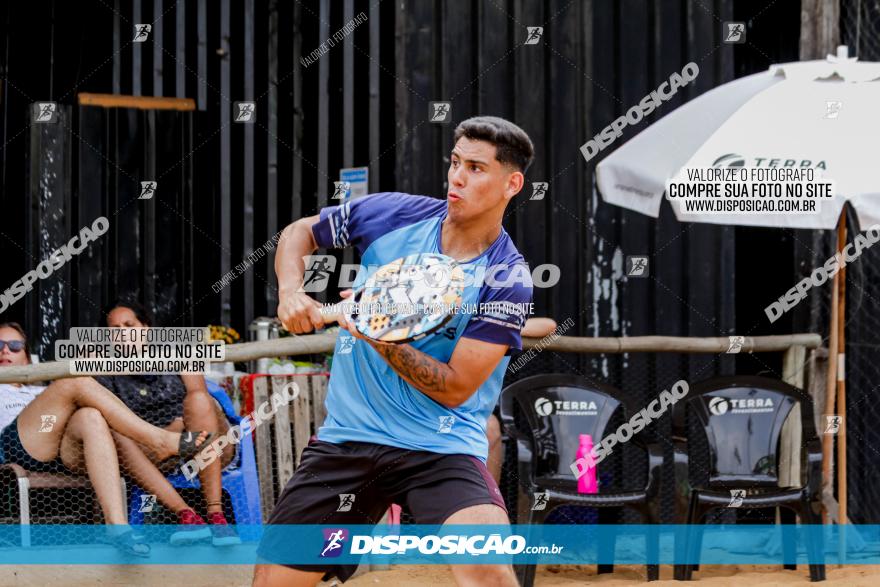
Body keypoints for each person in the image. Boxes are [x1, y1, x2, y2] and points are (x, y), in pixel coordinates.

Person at [254, 116, 535, 586]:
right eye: (455, 162)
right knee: (273, 584)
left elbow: (454, 389)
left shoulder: (507, 278)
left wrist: (377, 334)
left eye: (476, 168)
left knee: (490, 573)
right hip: (349, 439)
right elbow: (300, 232)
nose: (457, 178)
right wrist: (290, 291)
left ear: (512, 183)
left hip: (440, 448)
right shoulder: (393, 214)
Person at [0, 322, 213, 556]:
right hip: (26, 441)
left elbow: (67, 403)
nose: (5, 351)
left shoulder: (40, 391)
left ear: (27, 358)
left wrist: (90, 360)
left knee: (90, 416)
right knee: (74, 380)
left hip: (56, 437)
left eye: (15, 345)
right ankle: (159, 439)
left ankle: (117, 526)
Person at [94, 300, 241, 546]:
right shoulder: (107, 368)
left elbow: (200, 396)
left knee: (200, 402)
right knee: (114, 434)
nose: (123, 333)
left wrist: (179, 429)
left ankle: (216, 516)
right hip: (152, 451)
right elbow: (113, 418)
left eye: (129, 325)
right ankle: (187, 515)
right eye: (114, 329)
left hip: (205, 442)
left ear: (146, 328)